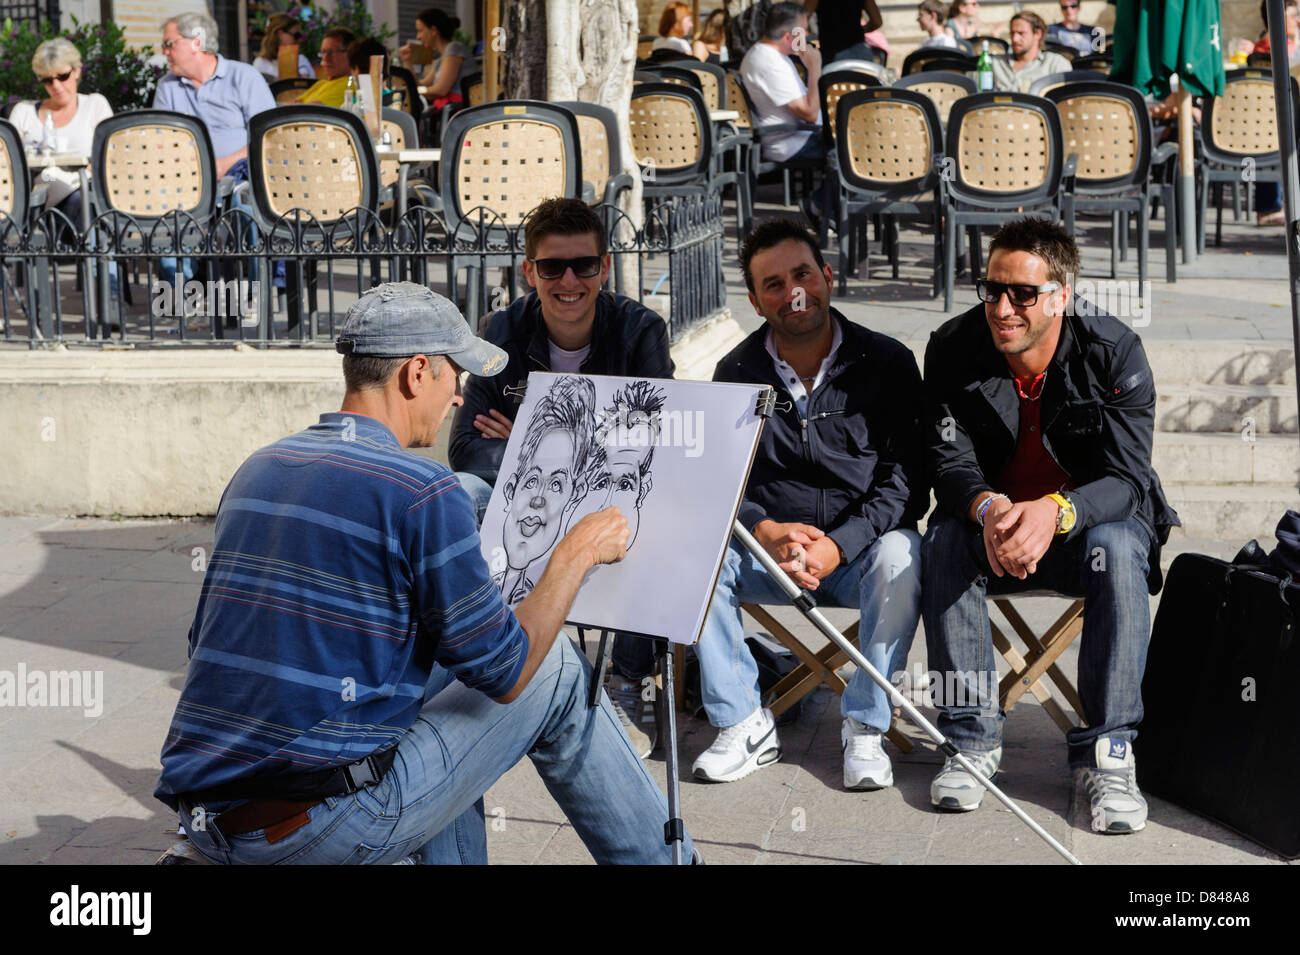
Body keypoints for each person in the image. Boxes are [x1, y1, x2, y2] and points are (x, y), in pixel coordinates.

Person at [154, 282, 694, 865]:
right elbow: (509, 672)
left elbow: (205, 644)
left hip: (208, 819)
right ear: (416, 373)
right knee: (557, 669)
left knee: (435, 681)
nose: (459, 398)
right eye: (453, 377)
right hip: (316, 828)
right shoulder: (418, 490)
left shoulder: (259, 468)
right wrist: (573, 555)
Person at [921, 217, 1179, 833]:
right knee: (946, 540)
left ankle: (1109, 754)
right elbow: (945, 457)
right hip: (997, 528)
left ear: (1061, 295)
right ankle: (969, 739)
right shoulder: (953, 347)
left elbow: (1125, 479)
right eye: (992, 289)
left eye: (1023, 294)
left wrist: (1055, 511)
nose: (1002, 307)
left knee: (1117, 549)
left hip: (1088, 531)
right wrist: (988, 508)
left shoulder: (1113, 350)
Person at [691, 218, 926, 787]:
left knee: (905, 556)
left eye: (802, 273)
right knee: (695, 556)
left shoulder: (887, 362)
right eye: (773, 283)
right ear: (754, 301)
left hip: (858, 554)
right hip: (768, 554)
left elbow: (908, 482)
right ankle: (744, 721)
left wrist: (838, 547)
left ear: (827, 275)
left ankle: (866, 727)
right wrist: (765, 530)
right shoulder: (737, 373)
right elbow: (719, 481)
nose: (792, 291)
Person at [448, 198, 674, 758]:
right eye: (552, 267)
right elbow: (464, 451)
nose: (569, 280)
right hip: (530, 501)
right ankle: (489, 655)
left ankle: (626, 680)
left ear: (605, 267)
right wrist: (565, 449)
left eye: (584, 265)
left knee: (647, 513)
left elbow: (654, 441)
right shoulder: (500, 331)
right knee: (461, 496)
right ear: (529, 272)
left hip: (604, 501)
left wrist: (527, 435)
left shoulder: (640, 330)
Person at [152, 13, 275, 293]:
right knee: (164, 204)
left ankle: (256, 293)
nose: (164, 52)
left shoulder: (243, 77)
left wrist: (223, 164)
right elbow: (160, 140)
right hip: (186, 178)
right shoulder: (168, 87)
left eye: (170, 44)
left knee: (245, 204)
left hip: (241, 176)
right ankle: (180, 297)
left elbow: (267, 138)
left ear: (196, 42)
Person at [9, 38, 112, 233]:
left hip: (85, 188)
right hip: (39, 192)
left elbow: (110, 156)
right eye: (47, 80)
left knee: (86, 202)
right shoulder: (23, 112)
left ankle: (100, 259)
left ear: (77, 71)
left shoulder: (94, 105)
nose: (56, 85)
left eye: (62, 76)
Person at [739, 2, 822, 165]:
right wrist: (815, 69)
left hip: (800, 135)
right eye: (803, 31)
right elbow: (810, 113)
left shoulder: (771, 55)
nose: (806, 35)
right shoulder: (770, 63)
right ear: (788, 37)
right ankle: (829, 192)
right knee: (854, 142)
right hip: (793, 142)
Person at [399, 8, 473, 112]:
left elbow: (441, 90)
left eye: (420, 31)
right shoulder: (441, 59)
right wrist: (407, 61)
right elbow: (421, 85)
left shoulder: (454, 48)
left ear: (434, 30)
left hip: (460, 114)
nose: (418, 37)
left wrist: (415, 91)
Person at [989, 11, 1072, 92]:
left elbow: (1066, 101)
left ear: (1038, 34)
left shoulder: (1055, 64)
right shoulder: (995, 63)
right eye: (1012, 33)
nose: (1015, 39)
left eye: (1021, 33)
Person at [805, 0, 884, 68]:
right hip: (859, 49)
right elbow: (877, 21)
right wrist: (858, 31)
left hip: (831, 52)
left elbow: (802, 17)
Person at [294, 27, 357, 107]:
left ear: (349, 54)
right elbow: (295, 104)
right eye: (323, 52)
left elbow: (310, 109)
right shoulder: (321, 84)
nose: (326, 57)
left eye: (331, 52)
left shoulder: (349, 84)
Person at [252, 13, 315, 81]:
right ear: (280, 34)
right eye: (296, 35)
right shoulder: (261, 63)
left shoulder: (301, 59)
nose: (299, 40)